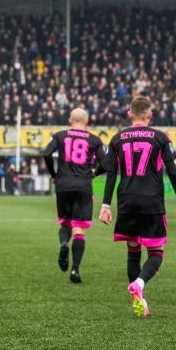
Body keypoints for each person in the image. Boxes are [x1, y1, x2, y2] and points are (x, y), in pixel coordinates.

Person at [99, 96, 176, 317]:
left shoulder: (117, 138)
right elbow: (172, 171)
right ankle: (139, 283)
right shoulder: (161, 137)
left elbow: (111, 174)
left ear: (129, 114)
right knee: (156, 253)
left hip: (127, 200)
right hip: (151, 201)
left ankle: (138, 302)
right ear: (150, 115)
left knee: (132, 250)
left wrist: (105, 204)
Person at [42, 108, 107, 283]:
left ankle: (64, 244)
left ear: (70, 120)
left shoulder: (60, 135)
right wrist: (95, 173)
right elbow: (106, 163)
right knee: (79, 228)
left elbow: (46, 153)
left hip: (63, 185)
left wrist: (54, 175)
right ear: (86, 122)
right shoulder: (95, 140)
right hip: (83, 186)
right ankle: (75, 270)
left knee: (65, 223)